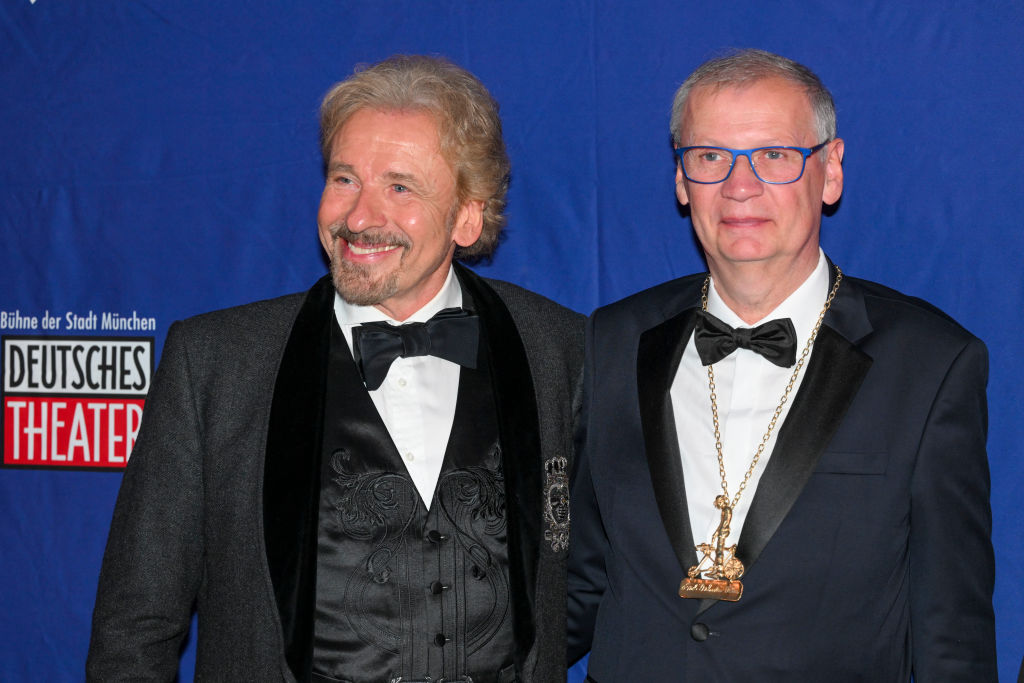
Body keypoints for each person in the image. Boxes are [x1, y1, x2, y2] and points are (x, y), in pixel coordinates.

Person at [87, 55, 582, 683]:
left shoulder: (557, 348)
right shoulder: (214, 363)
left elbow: (595, 579)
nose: (358, 218)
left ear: (467, 216)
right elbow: (134, 629)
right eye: (345, 178)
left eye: (399, 187)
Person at [567, 49, 996, 681]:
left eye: (773, 155)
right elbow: (576, 583)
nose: (740, 186)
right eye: (710, 156)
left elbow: (951, 634)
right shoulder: (612, 340)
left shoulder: (930, 364)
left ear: (830, 171)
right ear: (681, 179)